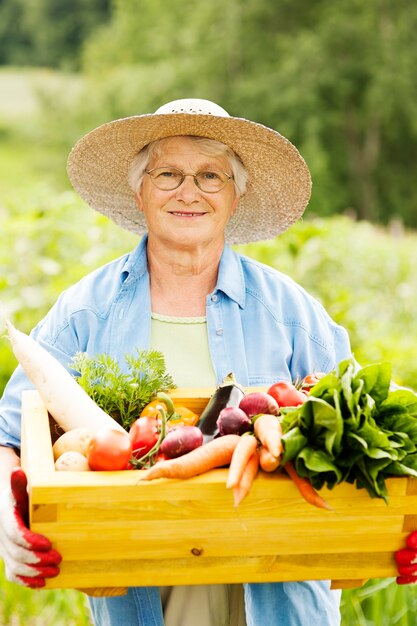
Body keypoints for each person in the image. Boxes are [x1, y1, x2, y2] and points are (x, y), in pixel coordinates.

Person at [0, 98, 414, 626]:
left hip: (280, 596)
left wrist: (402, 522)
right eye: (168, 173)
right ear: (140, 190)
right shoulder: (84, 312)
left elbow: (370, 433)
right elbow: (9, 434)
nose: (188, 191)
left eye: (210, 175)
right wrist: (8, 524)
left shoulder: (292, 313)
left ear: (235, 196)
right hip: (140, 596)